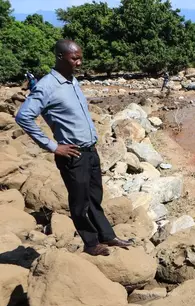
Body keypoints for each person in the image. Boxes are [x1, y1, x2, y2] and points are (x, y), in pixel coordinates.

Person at [15, 40, 134, 256]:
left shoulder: (72, 81)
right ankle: (91, 243)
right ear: (60, 57)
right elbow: (24, 117)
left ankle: (107, 236)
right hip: (72, 153)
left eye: (80, 57)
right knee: (79, 202)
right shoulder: (46, 86)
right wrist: (53, 146)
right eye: (74, 58)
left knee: (95, 197)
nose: (79, 62)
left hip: (90, 150)